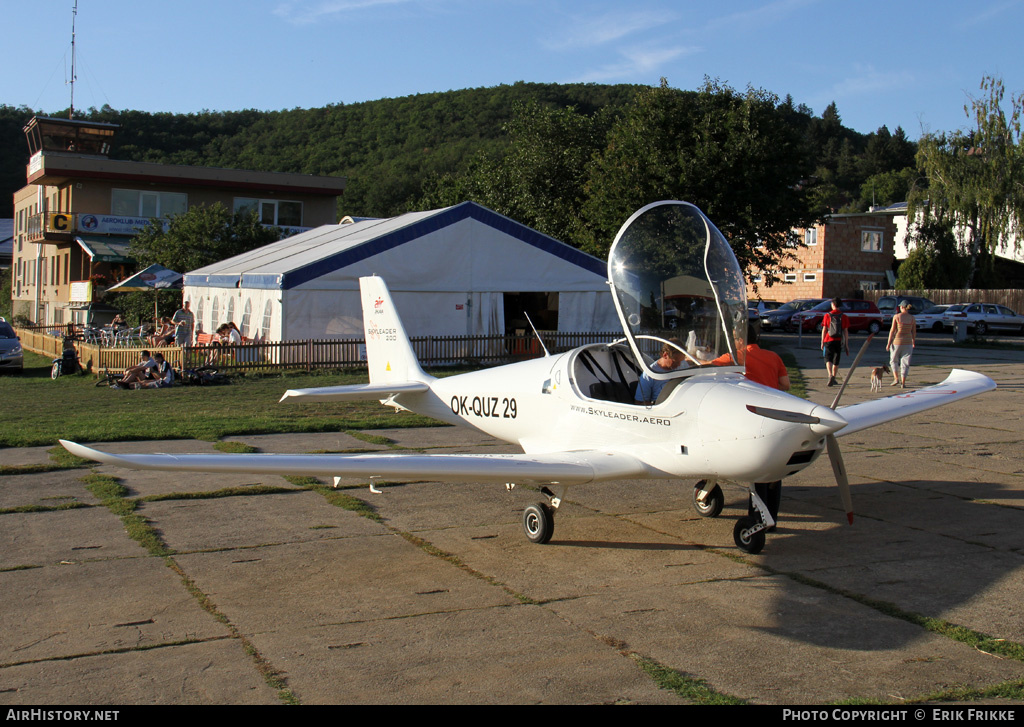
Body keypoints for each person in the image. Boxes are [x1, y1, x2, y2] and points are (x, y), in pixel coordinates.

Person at [634, 340, 685, 404]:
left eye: (681, 361)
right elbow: (639, 403)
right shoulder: (649, 374)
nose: (679, 365)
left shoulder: (682, 365)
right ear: (665, 355)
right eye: (675, 361)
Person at [886, 300, 917, 388]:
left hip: (897, 341)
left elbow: (892, 331)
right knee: (905, 363)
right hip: (908, 342)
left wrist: (888, 343)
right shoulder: (912, 318)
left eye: (900, 306)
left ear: (902, 307)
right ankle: (903, 382)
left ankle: (896, 378)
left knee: (893, 360)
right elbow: (914, 331)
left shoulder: (897, 317)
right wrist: (913, 341)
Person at [820, 297, 849, 388]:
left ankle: (830, 375)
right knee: (836, 360)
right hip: (838, 340)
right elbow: (845, 331)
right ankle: (834, 376)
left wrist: (822, 341)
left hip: (828, 340)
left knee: (828, 358)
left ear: (832, 304)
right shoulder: (843, 316)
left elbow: (824, 329)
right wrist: (846, 344)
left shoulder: (827, 316)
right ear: (840, 305)